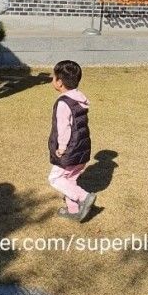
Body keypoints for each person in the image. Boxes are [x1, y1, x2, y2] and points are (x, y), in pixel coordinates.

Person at [48, 60, 97, 222]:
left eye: (53, 77)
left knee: (55, 178)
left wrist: (61, 148)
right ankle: (73, 210)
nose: (52, 80)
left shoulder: (63, 103)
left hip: (70, 150)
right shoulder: (79, 98)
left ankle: (84, 197)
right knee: (69, 179)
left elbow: (64, 128)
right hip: (82, 148)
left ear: (59, 82)